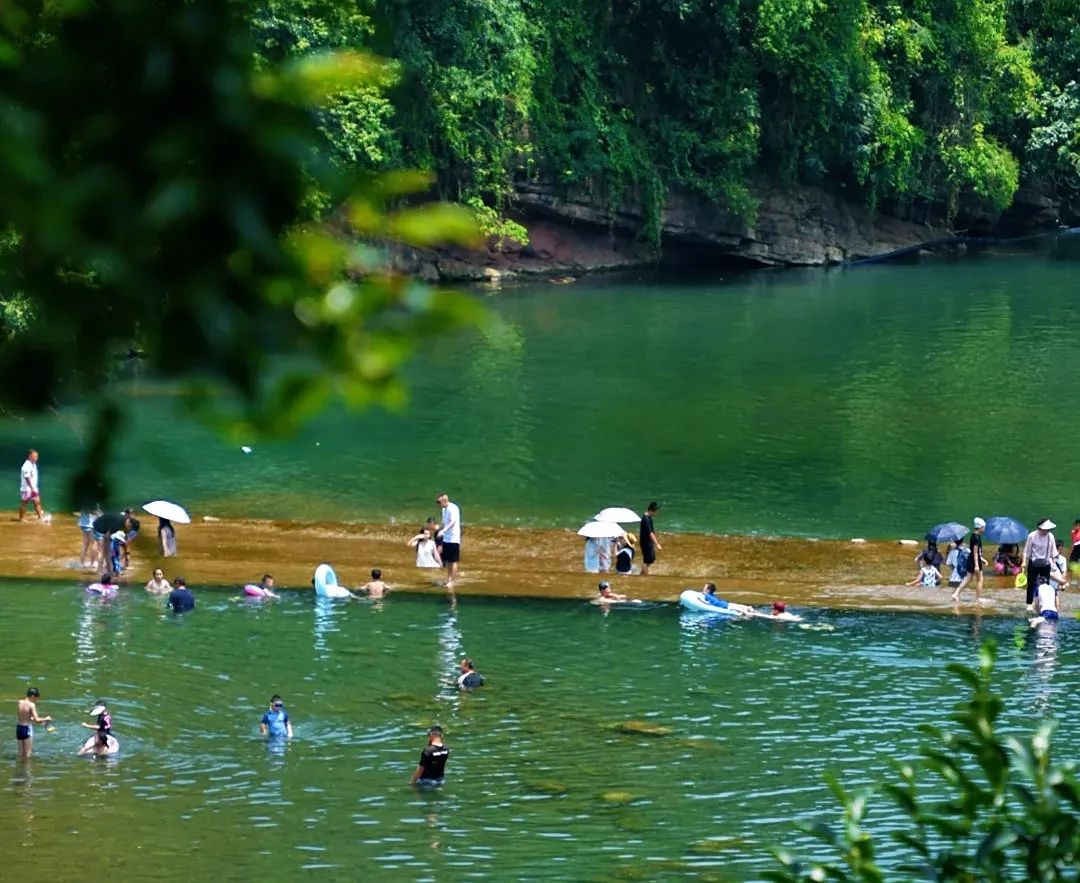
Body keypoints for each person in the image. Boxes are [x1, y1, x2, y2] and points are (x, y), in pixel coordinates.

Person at [1022, 518, 1058, 608]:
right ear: (1040, 528)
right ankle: (1029, 604)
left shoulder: (1051, 536)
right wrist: (1024, 562)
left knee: (1045, 585)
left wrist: (1054, 564)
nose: (1047, 531)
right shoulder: (1032, 536)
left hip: (1045, 564)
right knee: (1031, 583)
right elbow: (1026, 551)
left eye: (1048, 529)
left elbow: (1053, 551)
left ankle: (1045, 603)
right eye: (1046, 529)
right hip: (1033, 563)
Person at [950, 517, 986, 604]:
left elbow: (976, 552)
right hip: (974, 561)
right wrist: (977, 565)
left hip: (972, 559)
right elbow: (975, 552)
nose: (984, 529)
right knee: (980, 579)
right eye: (984, 527)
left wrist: (982, 559)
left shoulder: (973, 535)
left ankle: (956, 594)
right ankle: (978, 599)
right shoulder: (976, 538)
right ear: (980, 527)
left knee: (968, 579)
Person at [16, 687, 52, 760]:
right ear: (32, 696)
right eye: (36, 698)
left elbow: (26, 717)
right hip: (27, 729)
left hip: (19, 728)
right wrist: (46, 719)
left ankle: (20, 768)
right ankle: (27, 770)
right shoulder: (31, 705)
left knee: (21, 753)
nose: (36, 700)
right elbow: (37, 720)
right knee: (28, 754)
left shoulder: (20, 702)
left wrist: (41, 721)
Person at [435, 493, 462, 588]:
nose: (438, 504)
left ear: (444, 501)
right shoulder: (444, 510)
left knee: (453, 561)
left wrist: (444, 530)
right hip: (446, 538)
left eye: (439, 502)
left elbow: (453, 521)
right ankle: (449, 579)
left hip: (453, 538)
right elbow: (445, 523)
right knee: (447, 561)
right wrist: (439, 529)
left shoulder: (453, 508)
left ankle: (452, 581)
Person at [18, 449, 44, 521]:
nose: (36, 458)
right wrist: (31, 488)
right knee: (24, 503)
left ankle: (41, 517)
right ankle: (21, 518)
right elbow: (27, 478)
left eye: (37, 456)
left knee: (37, 502)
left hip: (33, 488)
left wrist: (34, 488)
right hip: (26, 489)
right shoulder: (26, 466)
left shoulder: (33, 464)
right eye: (34, 456)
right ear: (29, 456)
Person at [639, 502, 662, 575]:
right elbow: (650, 533)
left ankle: (641, 575)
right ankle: (645, 576)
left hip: (648, 542)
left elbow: (651, 531)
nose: (657, 513)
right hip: (645, 543)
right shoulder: (646, 519)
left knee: (650, 559)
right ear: (652, 510)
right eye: (656, 512)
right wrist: (657, 544)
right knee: (647, 561)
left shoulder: (648, 518)